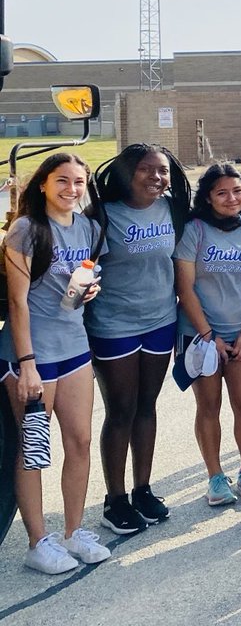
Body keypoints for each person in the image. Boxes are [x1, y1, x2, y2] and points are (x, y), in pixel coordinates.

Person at [1, 153, 109, 573]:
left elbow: (77, 283)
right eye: (62, 181)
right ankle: (37, 542)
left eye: (79, 182)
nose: (71, 189)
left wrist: (88, 292)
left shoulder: (90, 228)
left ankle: (73, 531)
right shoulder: (26, 229)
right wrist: (27, 364)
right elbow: (17, 301)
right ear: (43, 184)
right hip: (32, 354)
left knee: (80, 441)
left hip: (74, 348)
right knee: (34, 450)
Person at [86, 143, 191, 535]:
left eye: (162, 171)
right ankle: (115, 501)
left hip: (161, 321)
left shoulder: (172, 211)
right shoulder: (102, 216)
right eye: (147, 170)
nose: (157, 177)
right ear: (128, 173)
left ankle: (142, 488)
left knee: (147, 406)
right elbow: (82, 267)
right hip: (114, 326)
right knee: (120, 410)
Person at [174, 163, 241, 508]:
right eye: (222, 192)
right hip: (201, 336)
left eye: (237, 191)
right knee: (209, 406)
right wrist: (208, 334)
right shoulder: (194, 231)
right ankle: (215, 477)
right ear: (208, 197)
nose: (231, 198)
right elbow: (184, 288)